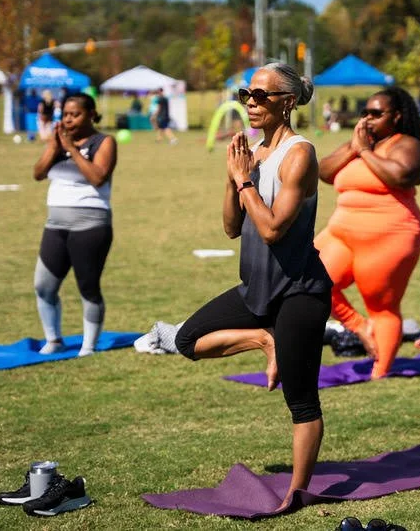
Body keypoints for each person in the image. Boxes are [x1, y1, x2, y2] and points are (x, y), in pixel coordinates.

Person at [174, 62, 331, 511]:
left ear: (287, 101)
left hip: (300, 290)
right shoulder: (252, 154)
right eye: (247, 94)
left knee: (301, 400)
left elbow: (274, 230)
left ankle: (297, 493)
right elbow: (230, 227)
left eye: (260, 95)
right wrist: (233, 176)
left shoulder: (300, 153)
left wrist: (245, 179)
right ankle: (264, 339)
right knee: (188, 340)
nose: (250, 103)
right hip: (256, 287)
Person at [314, 86, 420, 379]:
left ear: (396, 117)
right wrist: (354, 148)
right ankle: (360, 328)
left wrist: (364, 151)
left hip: (389, 235)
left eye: (377, 113)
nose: (368, 118)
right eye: (365, 112)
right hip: (341, 231)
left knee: (382, 305)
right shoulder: (358, 143)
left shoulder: (406, 144)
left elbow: (402, 175)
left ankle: (381, 371)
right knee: (307, 279)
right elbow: (323, 172)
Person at [31, 94, 117, 357]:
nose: (68, 119)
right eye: (65, 114)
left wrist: (71, 149)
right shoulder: (57, 141)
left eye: (75, 114)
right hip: (55, 224)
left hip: (90, 225)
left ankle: (89, 346)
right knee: (43, 286)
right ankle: (53, 340)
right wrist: (55, 148)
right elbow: (38, 173)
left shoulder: (104, 142)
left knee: (88, 286)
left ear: (91, 114)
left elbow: (98, 177)